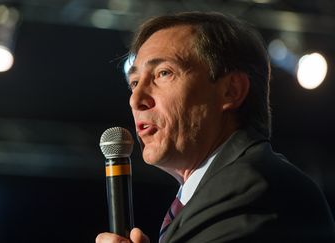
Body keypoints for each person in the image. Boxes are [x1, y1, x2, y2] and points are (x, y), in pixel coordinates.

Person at [96, 11, 335, 243]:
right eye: (134, 82)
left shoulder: (252, 191)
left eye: (163, 73)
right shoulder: (216, 194)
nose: (136, 99)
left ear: (231, 91)